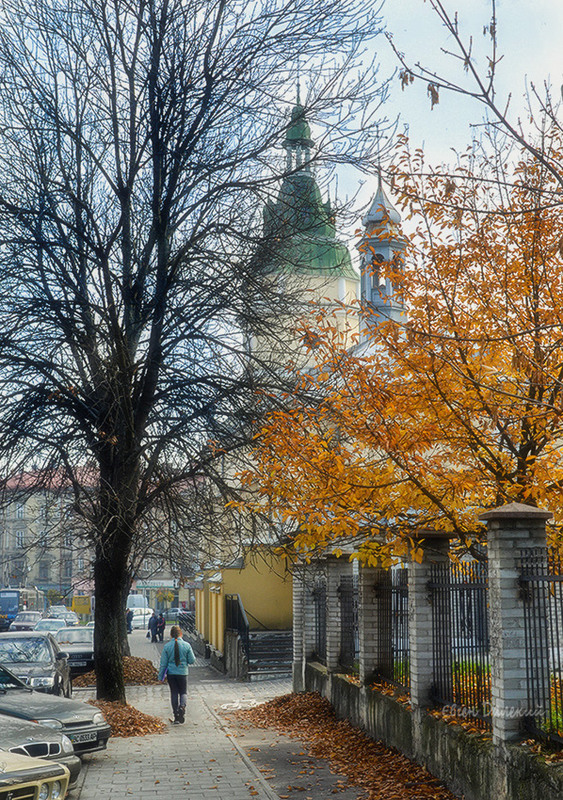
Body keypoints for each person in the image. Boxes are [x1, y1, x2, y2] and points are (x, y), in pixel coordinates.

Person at [158, 625, 196, 724]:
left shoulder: (167, 647)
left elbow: (163, 664)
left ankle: (176, 715)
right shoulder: (187, 645)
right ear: (181, 634)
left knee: (174, 692)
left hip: (171, 674)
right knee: (183, 692)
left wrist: (160, 677)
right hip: (182, 673)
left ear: (171, 635)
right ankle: (182, 707)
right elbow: (192, 660)